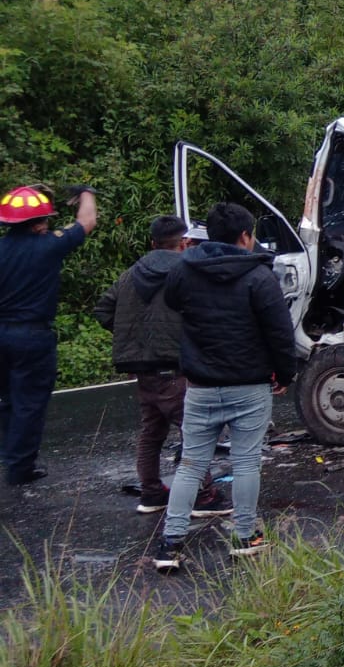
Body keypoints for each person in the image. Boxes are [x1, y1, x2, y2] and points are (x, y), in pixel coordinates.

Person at [154, 202, 296, 570]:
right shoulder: (259, 276)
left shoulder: (185, 270)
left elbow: (171, 301)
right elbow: (279, 332)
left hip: (200, 384)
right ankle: (246, 536)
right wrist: (285, 374)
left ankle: (170, 545)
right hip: (249, 385)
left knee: (190, 464)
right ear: (245, 236)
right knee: (246, 460)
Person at [92, 215, 232, 517]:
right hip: (174, 366)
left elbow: (103, 309)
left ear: (152, 242)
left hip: (142, 368)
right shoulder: (186, 272)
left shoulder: (130, 274)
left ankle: (152, 492)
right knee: (195, 431)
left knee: (152, 431)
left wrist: (133, 338)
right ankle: (204, 496)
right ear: (183, 242)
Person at [0, 184, 96, 486]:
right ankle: (19, 467)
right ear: (40, 222)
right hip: (31, 336)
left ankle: (9, 453)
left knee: (6, 399)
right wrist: (87, 193)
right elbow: (87, 222)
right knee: (29, 401)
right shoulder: (48, 245)